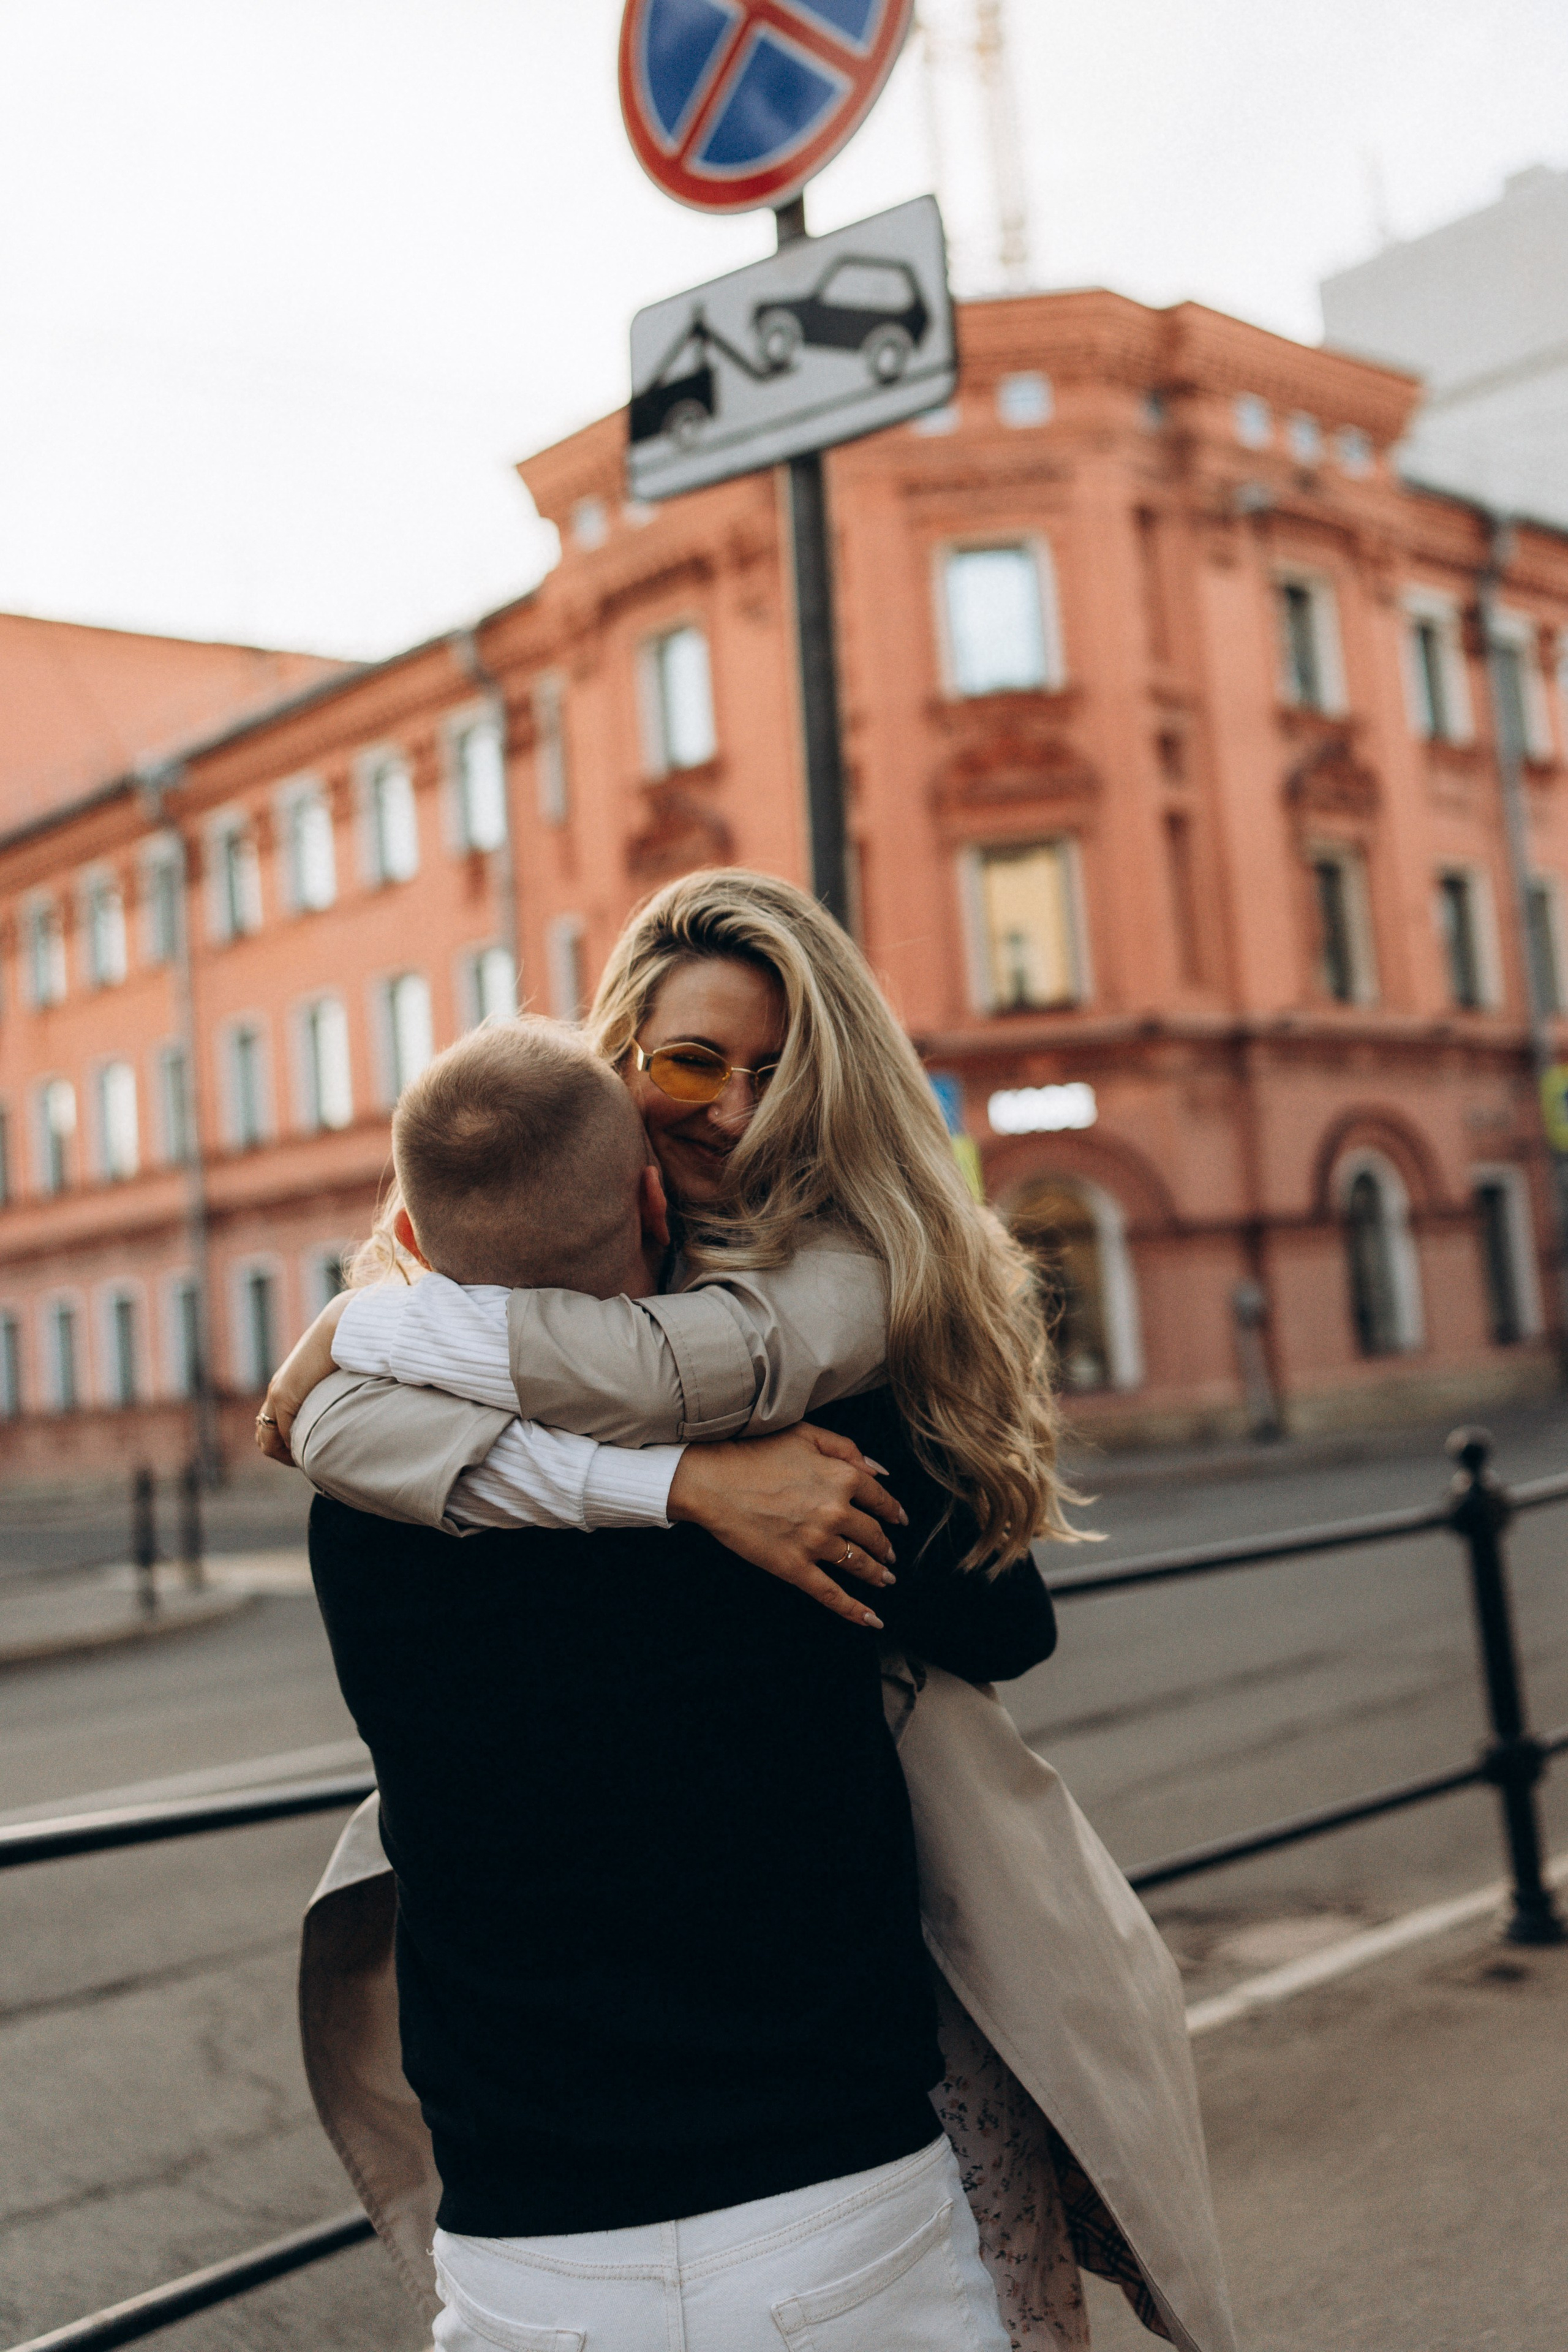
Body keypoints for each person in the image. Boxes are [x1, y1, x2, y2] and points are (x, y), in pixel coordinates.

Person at [275, 870, 1237, 2352]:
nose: (730, 1105)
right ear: (620, 1106)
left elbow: (1001, 1615)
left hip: (628, 2178)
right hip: (804, 2163)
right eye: (686, 1064)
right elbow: (331, 1433)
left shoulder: (830, 1332)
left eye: (776, 1071)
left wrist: (397, 1327)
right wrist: (688, 1488)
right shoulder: (411, 1395)